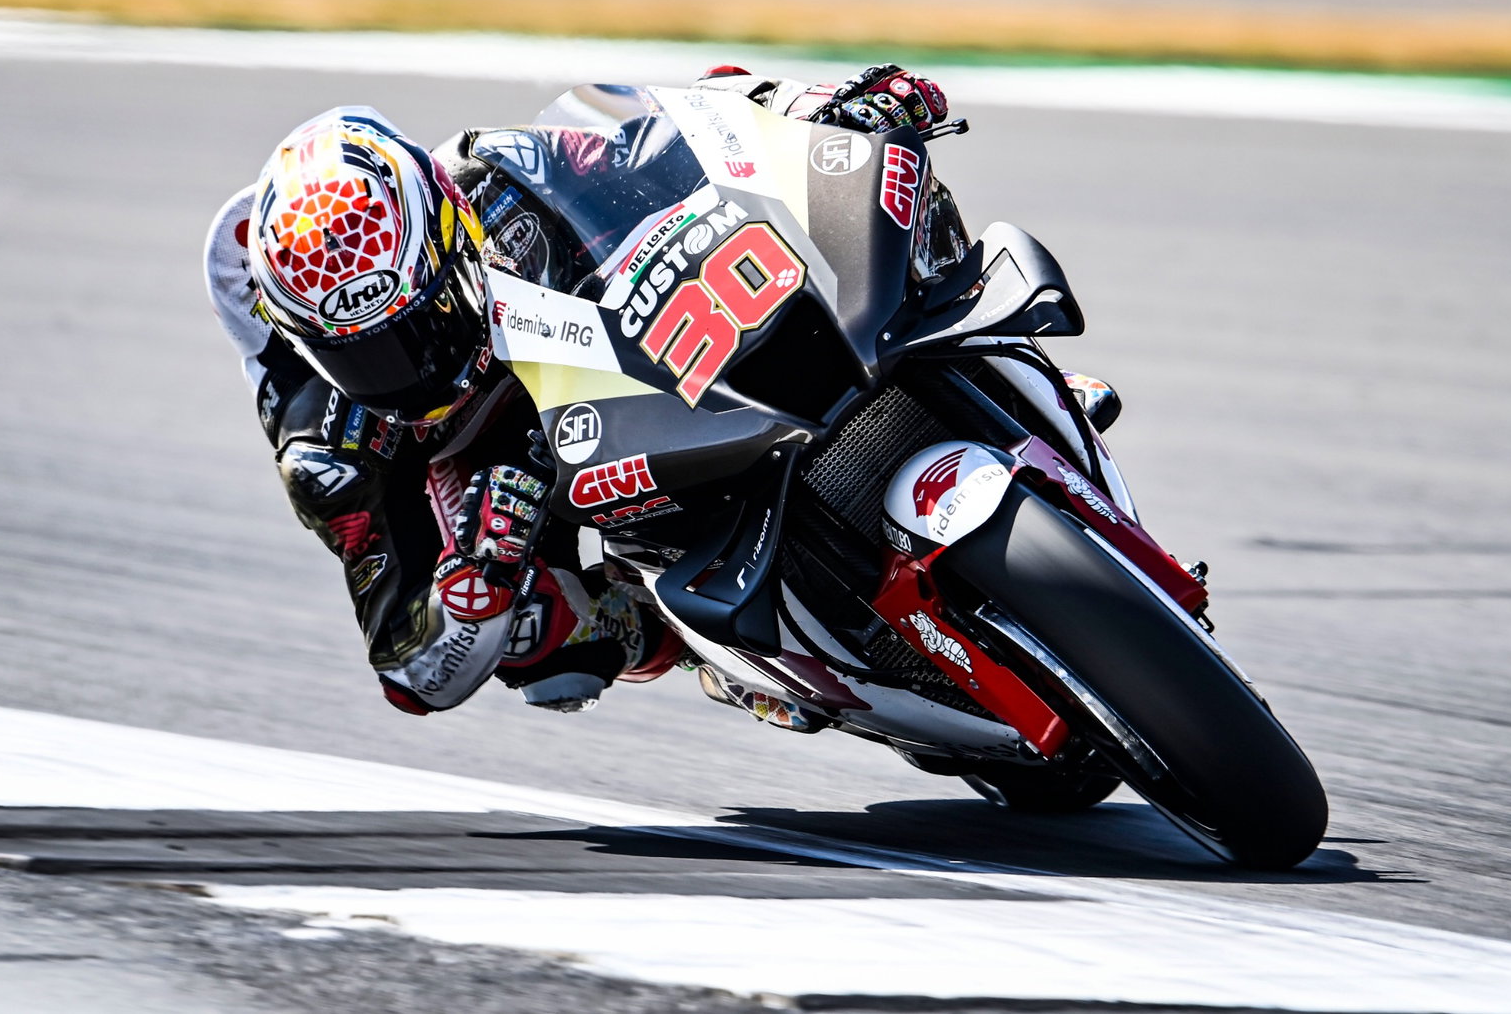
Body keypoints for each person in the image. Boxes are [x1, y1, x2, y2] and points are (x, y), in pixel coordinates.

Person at [203, 64, 966, 717]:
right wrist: (482, 569)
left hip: (644, 345)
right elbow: (413, 672)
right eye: (368, 358)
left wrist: (815, 108)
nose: (412, 368)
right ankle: (689, 637)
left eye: (422, 323)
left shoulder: (492, 177)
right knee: (540, 650)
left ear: (448, 235)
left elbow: (688, 121)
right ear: (310, 347)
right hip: (498, 476)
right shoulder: (327, 449)